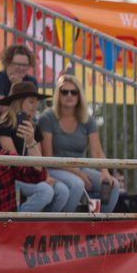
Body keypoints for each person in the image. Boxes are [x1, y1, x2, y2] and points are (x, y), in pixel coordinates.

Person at [36, 74, 121, 214]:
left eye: (74, 92)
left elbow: (97, 151)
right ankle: (63, 228)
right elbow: (48, 157)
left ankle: (99, 228)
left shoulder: (87, 119)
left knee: (112, 185)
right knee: (77, 184)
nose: (69, 95)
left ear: (79, 95)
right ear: (58, 94)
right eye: (64, 92)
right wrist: (77, 173)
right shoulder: (47, 118)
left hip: (79, 168)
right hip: (54, 168)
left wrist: (105, 172)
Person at [0, 82, 68, 212]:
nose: (36, 105)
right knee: (45, 191)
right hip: (13, 175)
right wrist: (42, 177)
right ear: (18, 102)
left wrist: (44, 175)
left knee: (63, 191)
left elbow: (38, 157)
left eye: (36, 102)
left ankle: (45, 228)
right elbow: (14, 162)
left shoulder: (34, 126)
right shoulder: (4, 125)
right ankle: (19, 225)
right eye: (31, 101)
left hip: (33, 172)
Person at [0, 112, 48, 213]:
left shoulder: (3, 157)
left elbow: (37, 174)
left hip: (5, 225)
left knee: (51, 190)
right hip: (5, 223)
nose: (34, 106)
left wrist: (31, 143)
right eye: (31, 101)